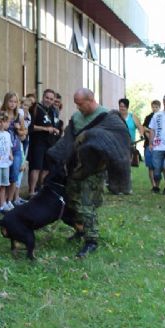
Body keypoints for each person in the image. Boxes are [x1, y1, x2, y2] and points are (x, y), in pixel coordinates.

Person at [62, 88, 110, 258]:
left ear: (90, 100)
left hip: (94, 169)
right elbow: (68, 137)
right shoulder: (76, 118)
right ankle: (80, 230)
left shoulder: (106, 116)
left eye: (80, 104)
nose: (78, 108)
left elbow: (112, 140)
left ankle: (91, 240)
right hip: (76, 167)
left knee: (87, 204)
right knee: (72, 202)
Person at [28, 89, 60, 195]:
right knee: (36, 167)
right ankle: (32, 192)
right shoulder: (35, 108)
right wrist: (45, 129)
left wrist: (56, 130)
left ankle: (40, 189)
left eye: (51, 99)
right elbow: (30, 126)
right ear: (43, 97)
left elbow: (53, 125)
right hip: (38, 142)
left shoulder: (53, 111)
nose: (49, 100)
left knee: (46, 168)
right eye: (47, 98)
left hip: (50, 143)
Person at [0, 92, 26, 207]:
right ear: (6, 102)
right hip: (3, 150)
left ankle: (9, 201)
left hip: (16, 149)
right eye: (10, 101)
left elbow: (24, 135)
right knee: (4, 177)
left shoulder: (18, 116)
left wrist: (19, 130)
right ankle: (2, 201)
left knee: (14, 176)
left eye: (15, 102)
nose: (13, 104)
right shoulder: (1, 115)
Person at [142, 100, 165, 191]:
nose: (155, 109)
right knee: (151, 167)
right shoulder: (148, 117)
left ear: (159, 107)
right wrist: (150, 137)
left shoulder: (163, 117)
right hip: (149, 146)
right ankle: (154, 186)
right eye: (153, 107)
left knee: (163, 166)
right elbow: (144, 128)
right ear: (151, 107)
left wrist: (153, 133)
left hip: (161, 146)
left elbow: (164, 131)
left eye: (156, 107)